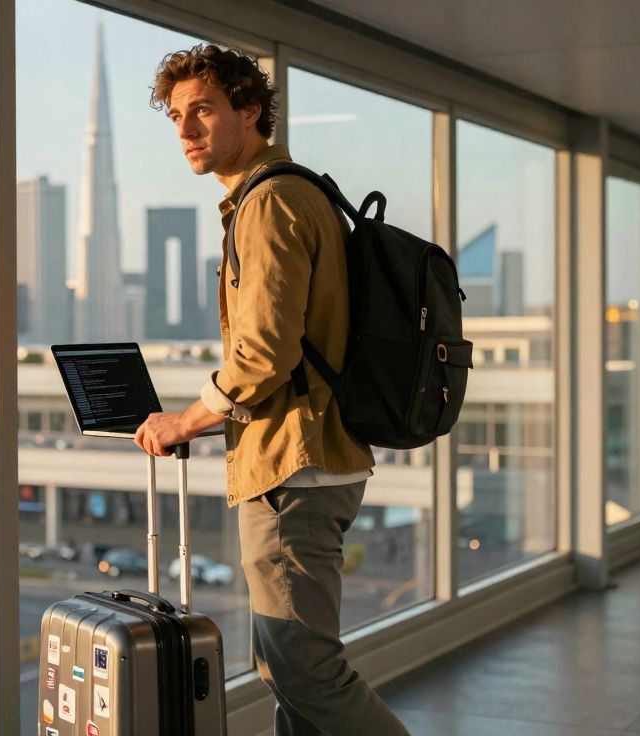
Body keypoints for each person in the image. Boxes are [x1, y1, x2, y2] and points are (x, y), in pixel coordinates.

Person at [133, 44, 409, 736]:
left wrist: (184, 421)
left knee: (305, 670)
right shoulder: (292, 191)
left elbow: (262, 356)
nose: (186, 130)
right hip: (307, 456)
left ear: (250, 110)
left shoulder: (271, 201)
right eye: (175, 117)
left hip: (295, 466)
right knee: (287, 672)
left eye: (203, 110)